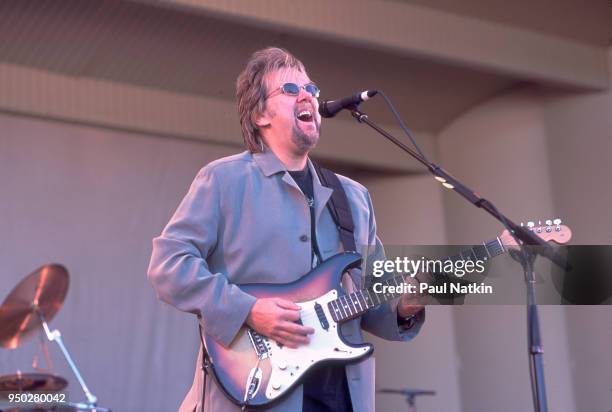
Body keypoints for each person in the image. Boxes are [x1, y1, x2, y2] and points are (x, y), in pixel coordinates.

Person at [147, 47, 425, 412]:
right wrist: (247, 309)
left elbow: (375, 304)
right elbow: (168, 265)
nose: (308, 95)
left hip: (342, 397)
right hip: (255, 392)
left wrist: (409, 303)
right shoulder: (223, 180)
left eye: (311, 88)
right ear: (261, 113)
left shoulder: (354, 197)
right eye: (291, 90)